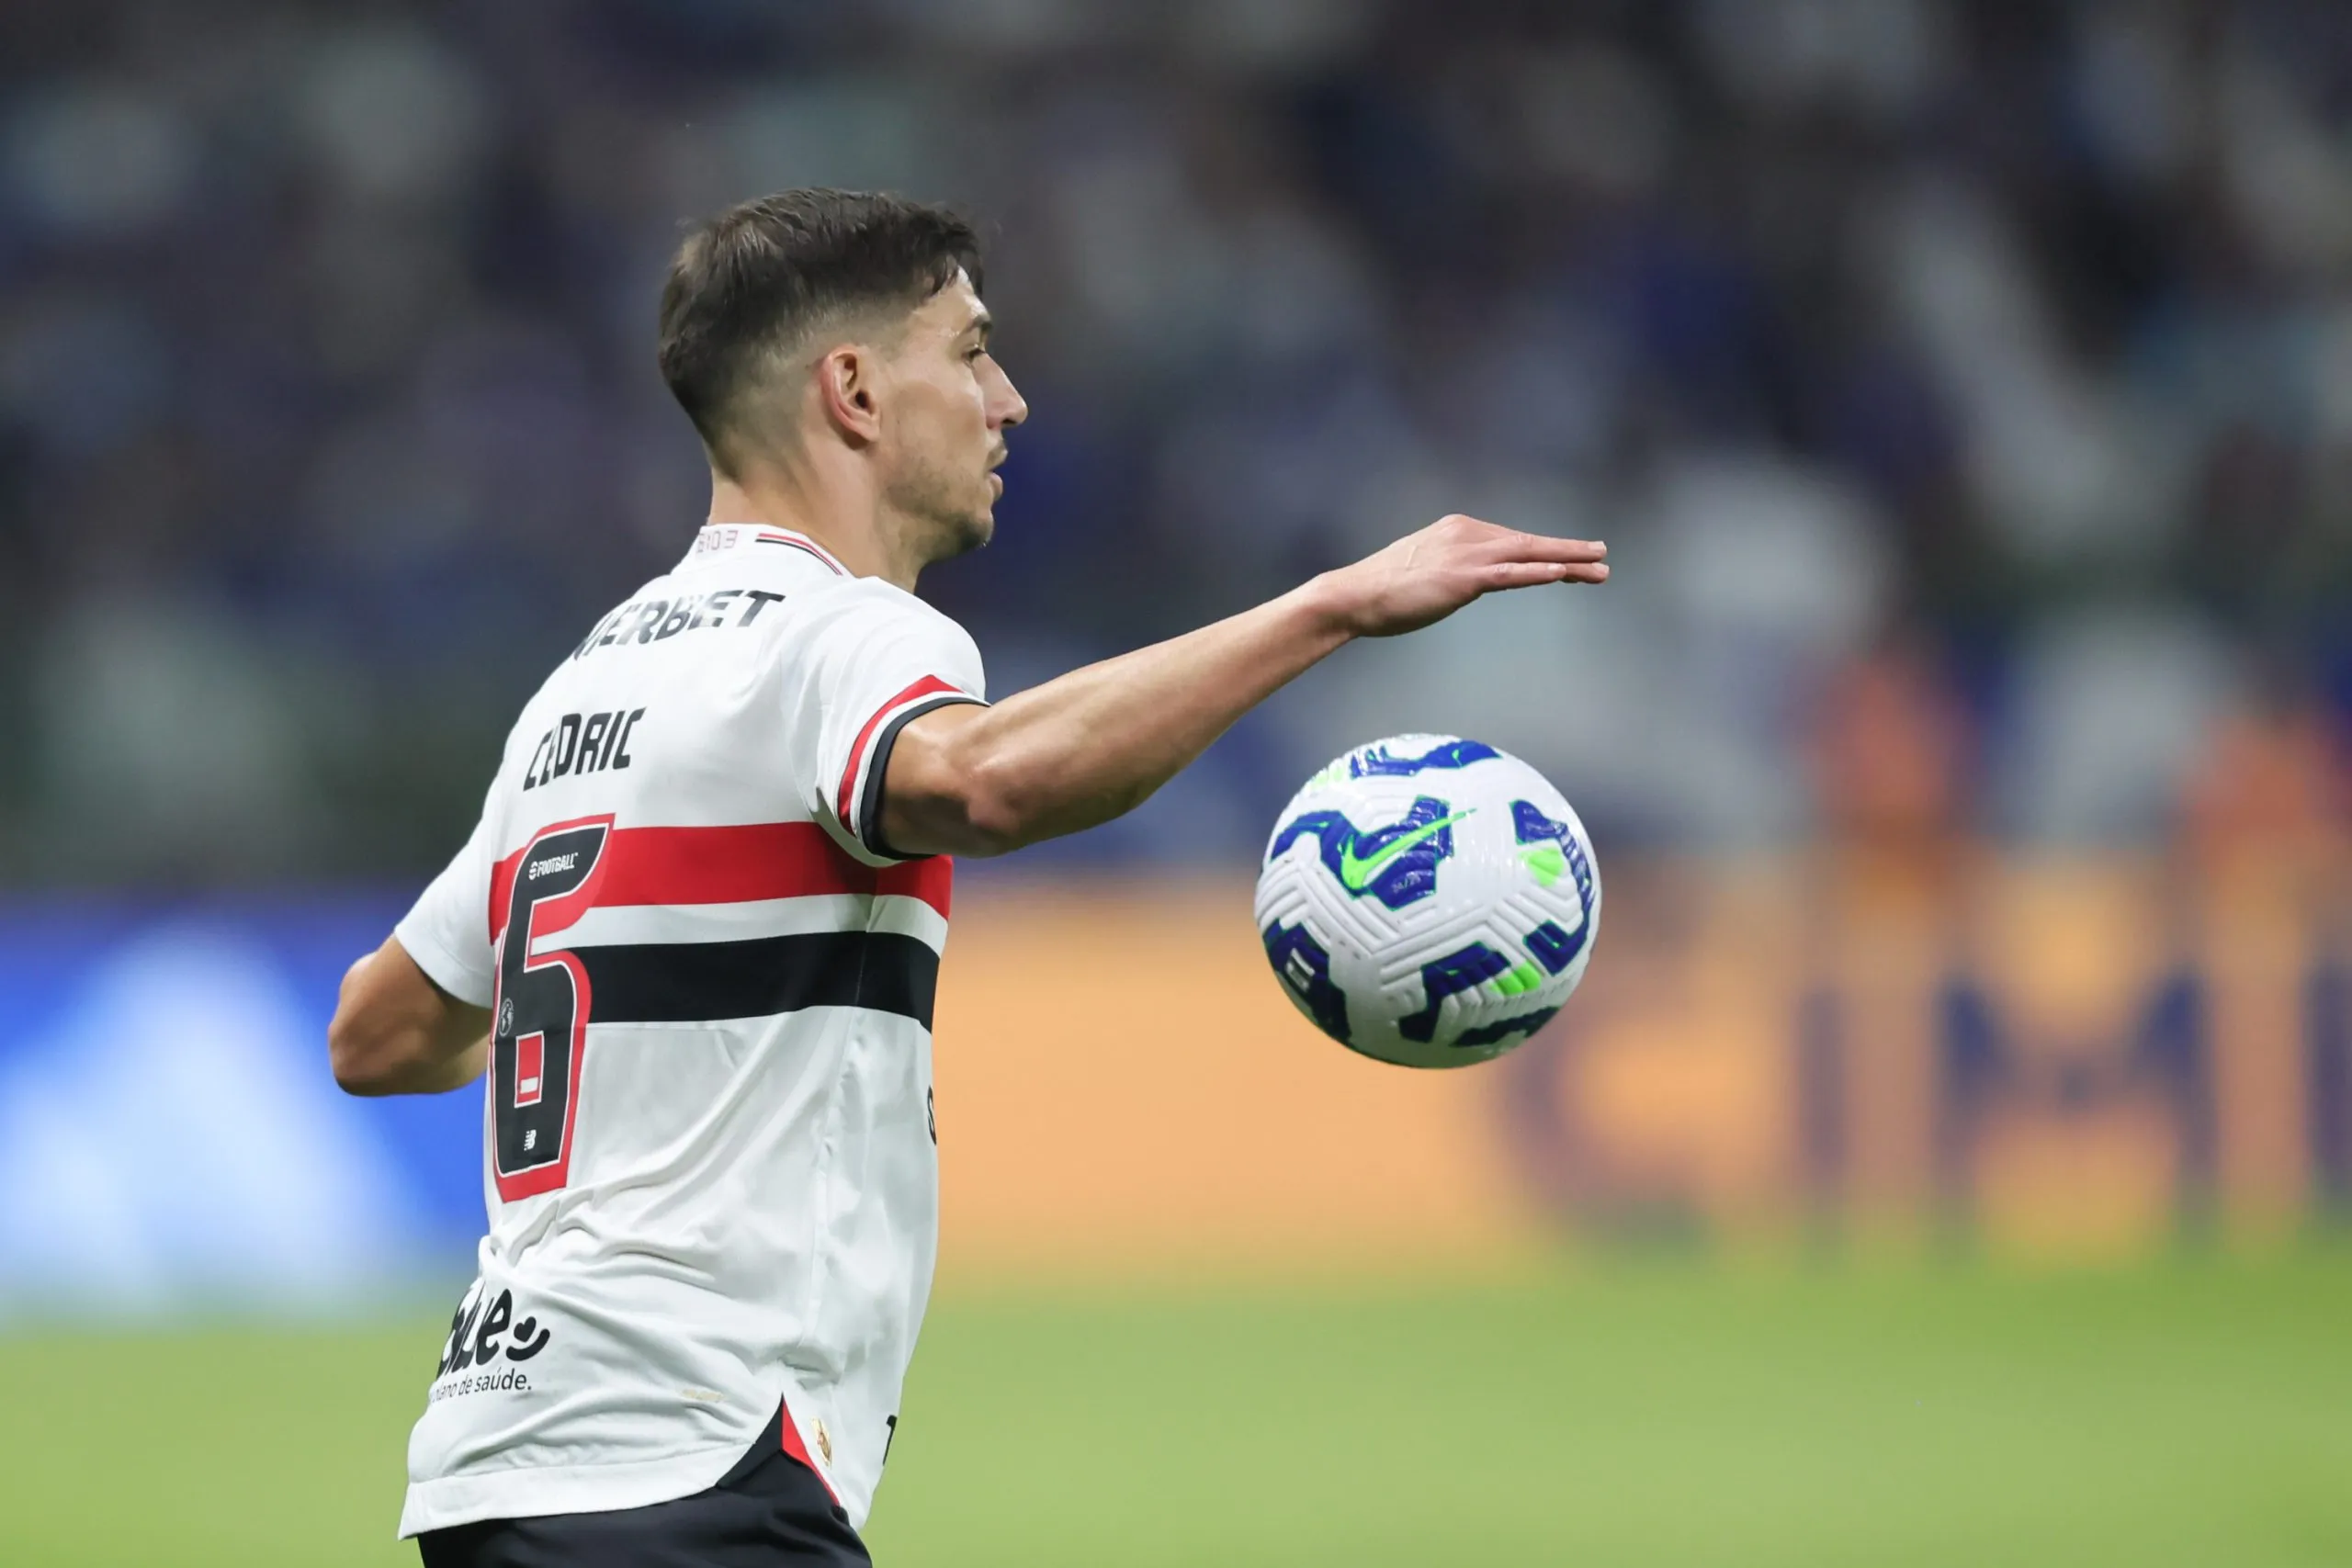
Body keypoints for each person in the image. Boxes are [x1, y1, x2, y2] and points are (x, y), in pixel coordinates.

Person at [326, 187, 1609, 1566]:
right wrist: (1326, 608)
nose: (1009, 400)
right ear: (857, 391)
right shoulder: (849, 636)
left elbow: (381, 1030)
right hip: (690, 1455)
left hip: (499, 1462)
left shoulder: (591, 684)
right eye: (971, 349)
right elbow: (985, 779)